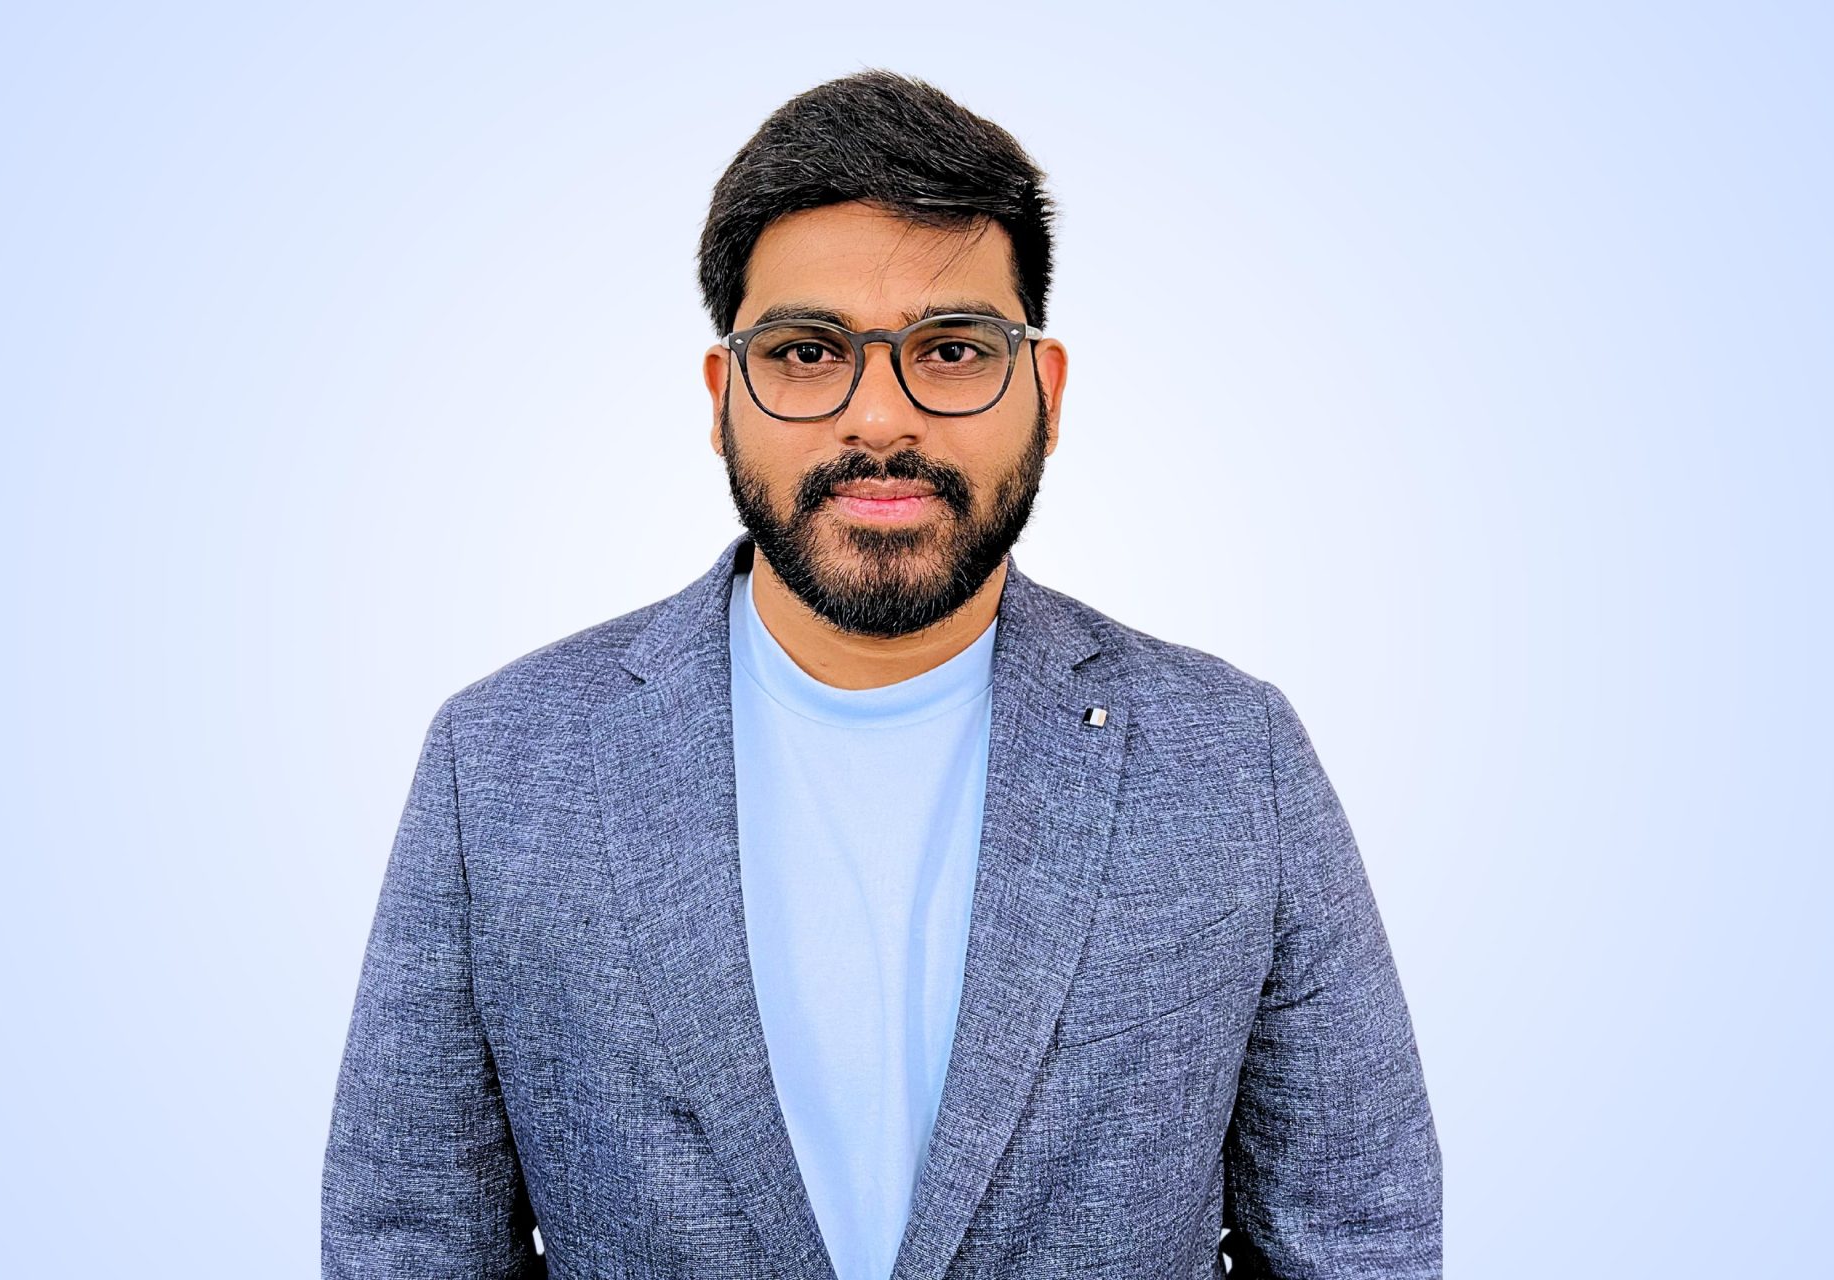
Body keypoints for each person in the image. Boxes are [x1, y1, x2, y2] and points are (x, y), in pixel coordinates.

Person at [321, 70, 1442, 1280]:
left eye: (950, 349)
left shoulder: (1234, 756)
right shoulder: (498, 763)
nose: (878, 418)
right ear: (724, 398)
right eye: (807, 352)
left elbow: (1357, 1235)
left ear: (1045, 391)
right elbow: (407, 1242)